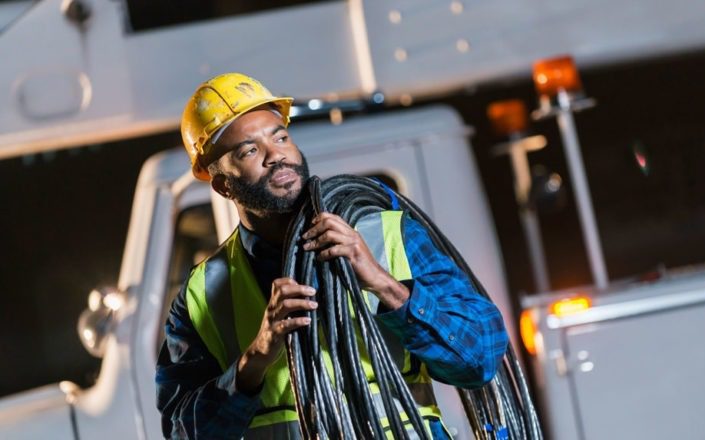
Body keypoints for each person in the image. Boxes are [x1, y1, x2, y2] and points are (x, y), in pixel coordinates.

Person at [155, 72, 508, 439]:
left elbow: (480, 358)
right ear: (223, 185)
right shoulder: (202, 294)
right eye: (250, 150)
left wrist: (385, 286)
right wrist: (256, 357)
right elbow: (183, 432)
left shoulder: (385, 236)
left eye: (281, 137)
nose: (276, 155)